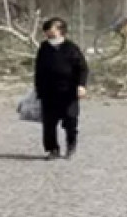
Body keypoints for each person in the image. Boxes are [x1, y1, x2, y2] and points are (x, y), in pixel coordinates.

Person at [34, 17, 89, 160]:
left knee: (70, 120)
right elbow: (38, 70)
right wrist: (38, 90)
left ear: (60, 30)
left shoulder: (71, 48)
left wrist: (81, 85)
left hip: (68, 91)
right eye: (46, 30)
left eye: (51, 29)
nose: (48, 32)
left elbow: (83, 68)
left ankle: (71, 145)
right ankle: (52, 149)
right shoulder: (44, 48)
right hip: (49, 92)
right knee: (49, 123)